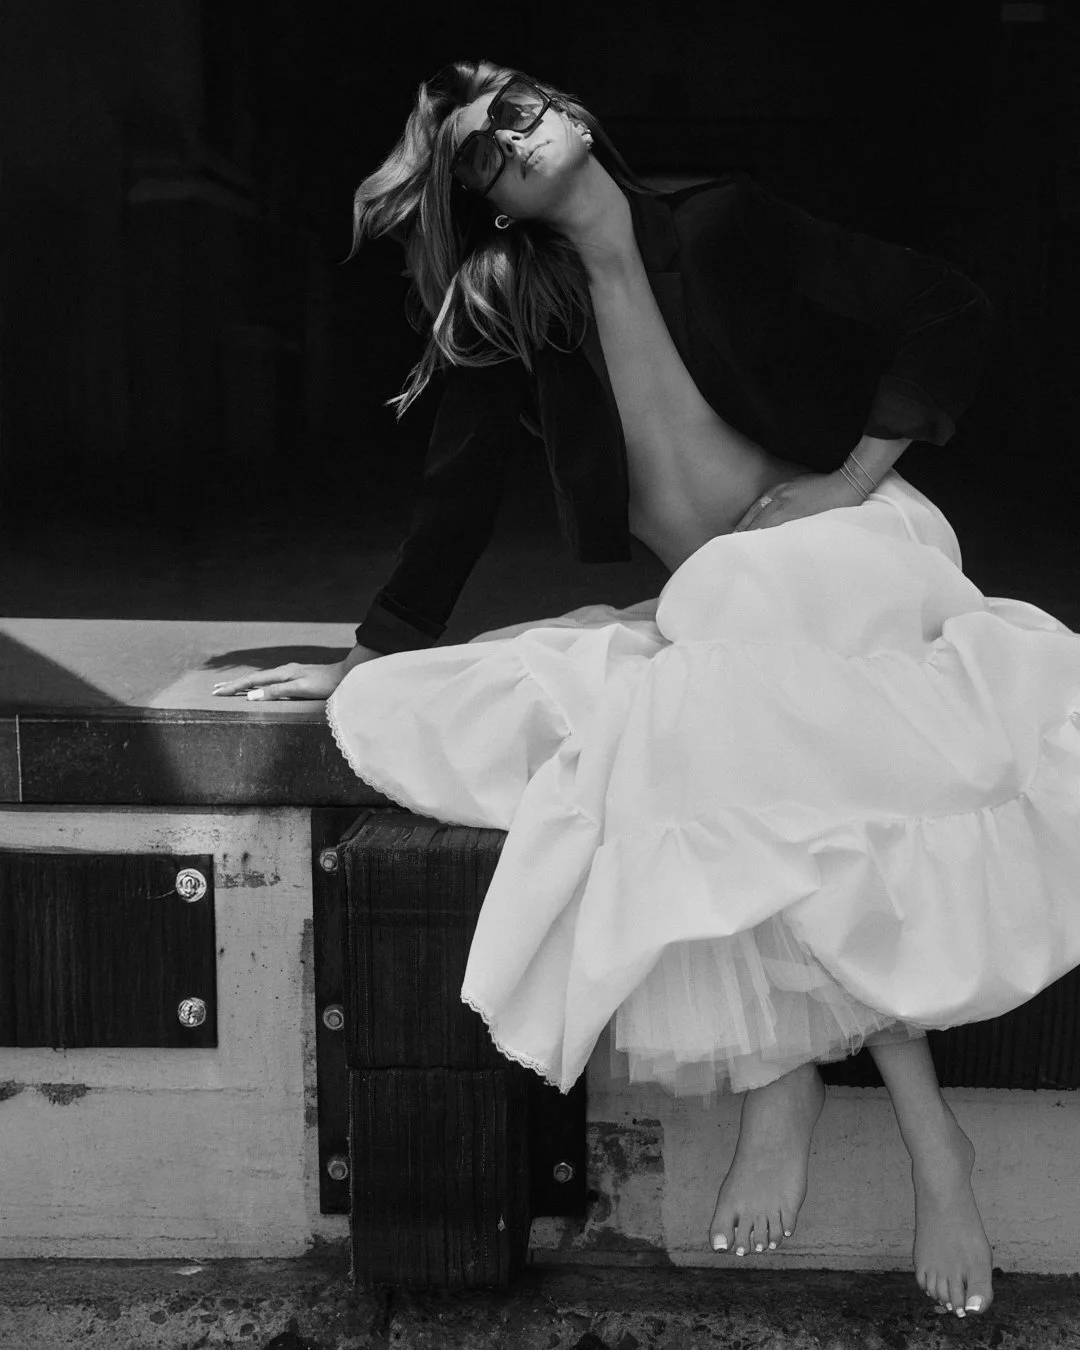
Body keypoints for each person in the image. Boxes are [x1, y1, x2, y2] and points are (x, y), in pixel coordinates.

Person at [213, 59, 1080, 1319]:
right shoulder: (517, 300)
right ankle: (912, 1130)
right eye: (487, 147)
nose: (520, 133)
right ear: (490, 199)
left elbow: (946, 308)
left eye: (524, 107)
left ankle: (812, 1096)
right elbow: (460, 486)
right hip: (725, 608)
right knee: (722, 711)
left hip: (859, 549)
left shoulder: (727, 221)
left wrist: (848, 480)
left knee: (719, 680)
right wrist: (375, 645)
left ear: (571, 112)